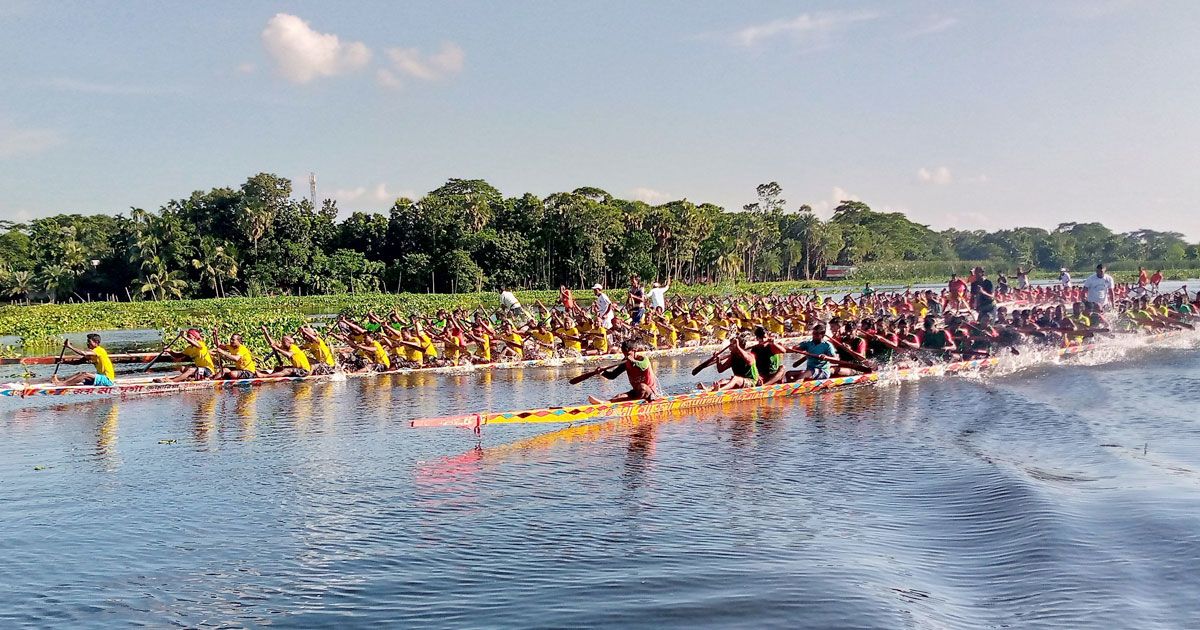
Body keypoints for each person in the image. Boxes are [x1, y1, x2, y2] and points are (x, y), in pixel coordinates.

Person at [588, 340, 661, 404]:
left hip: (650, 392)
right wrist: (602, 372)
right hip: (637, 392)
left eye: (628, 354)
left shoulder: (643, 359)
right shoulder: (626, 363)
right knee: (619, 396)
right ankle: (605, 403)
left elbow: (642, 366)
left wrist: (632, 360)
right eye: (624, 354)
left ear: (635, 350)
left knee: (642, 386)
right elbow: (612, 375)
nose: (626, 356)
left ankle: (635, 403)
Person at [50, 333, 116, 386]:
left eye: (89, 341)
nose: (87, 343)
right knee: (80, 374)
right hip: (101, 378)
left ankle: (62, 384)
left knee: (85, 375)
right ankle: (61, 382)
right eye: (87, 341)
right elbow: (78, 362)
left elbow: (84, 353)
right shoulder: (92, 353)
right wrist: (64, 361)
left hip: (108, 380)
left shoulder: (99, 350)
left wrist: (70, 347)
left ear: (96, 342)